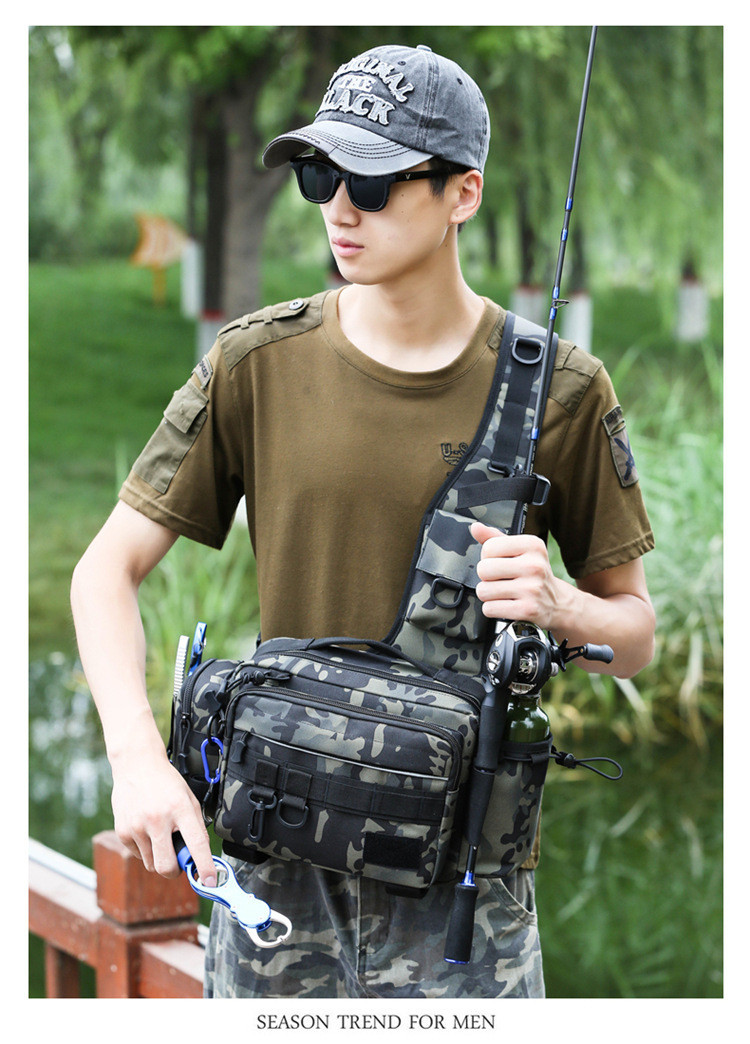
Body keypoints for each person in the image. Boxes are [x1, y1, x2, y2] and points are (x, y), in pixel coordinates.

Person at [71, 43, 655, 999]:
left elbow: (634, 636)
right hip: (273, 880)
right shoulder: (256, 363)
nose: (339, 208)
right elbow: (103, 573)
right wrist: (137, 759)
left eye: (374, 183)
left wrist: (561, 606)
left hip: (466, 904)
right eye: (320, 175)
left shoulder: (563, 389)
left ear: (463, 193)